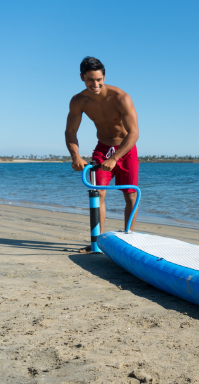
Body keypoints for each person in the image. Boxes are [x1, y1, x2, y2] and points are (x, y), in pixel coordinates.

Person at [65, 56, 140, 252]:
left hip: (125, 149)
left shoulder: (121, 97)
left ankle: (128, 240)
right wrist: (76, 156)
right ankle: (98, 242)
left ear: (104, 77)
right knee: (98, 194)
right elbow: (70, 132)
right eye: (90, 79)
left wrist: (115, 158)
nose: (95, 84)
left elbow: (134, 133)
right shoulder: (78, 101)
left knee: (131, 195)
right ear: (82, 77)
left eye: (99, 79)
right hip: (103, 148)